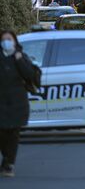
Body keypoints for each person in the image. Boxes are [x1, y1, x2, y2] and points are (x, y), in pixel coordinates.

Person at [0, 31, 36, 177]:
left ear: (14, 41)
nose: (6, 42)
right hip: (1, 102)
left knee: (13, 134)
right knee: (2, 133)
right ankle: (6, 159)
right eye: (3, 40)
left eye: (9, 39)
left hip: (17, 102)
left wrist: (19, 59)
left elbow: (30, 75)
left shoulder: (21, 56)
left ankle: (9, 163)